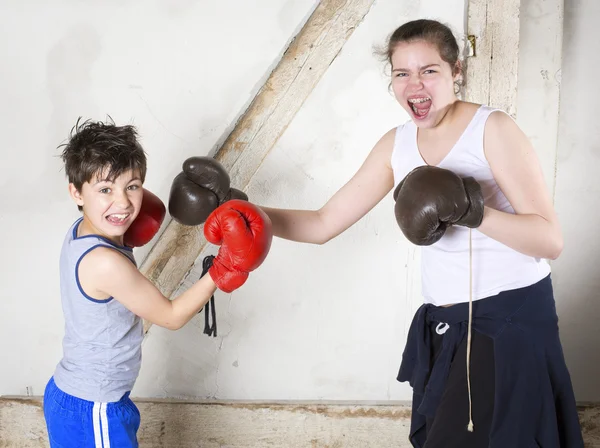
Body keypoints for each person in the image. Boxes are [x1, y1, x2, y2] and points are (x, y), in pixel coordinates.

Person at [258, 19, 584, 447]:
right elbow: (322, 223)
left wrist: (471, 211)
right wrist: (246, 211)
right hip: (444, 323)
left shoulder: (491, 129)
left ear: (456, 72)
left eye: (429, 70)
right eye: (402, 73)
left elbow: (549, 240)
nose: (416, 85)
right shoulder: (397, 145)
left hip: (509, 318)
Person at [44, 118, 272, 448]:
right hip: (93, 407)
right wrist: (224, 267)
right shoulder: (105, 263)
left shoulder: (83, 232)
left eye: (132, 186)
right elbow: (171, 316)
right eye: (106, 189)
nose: (122, 203)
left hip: (79, 395)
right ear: (76, 192)